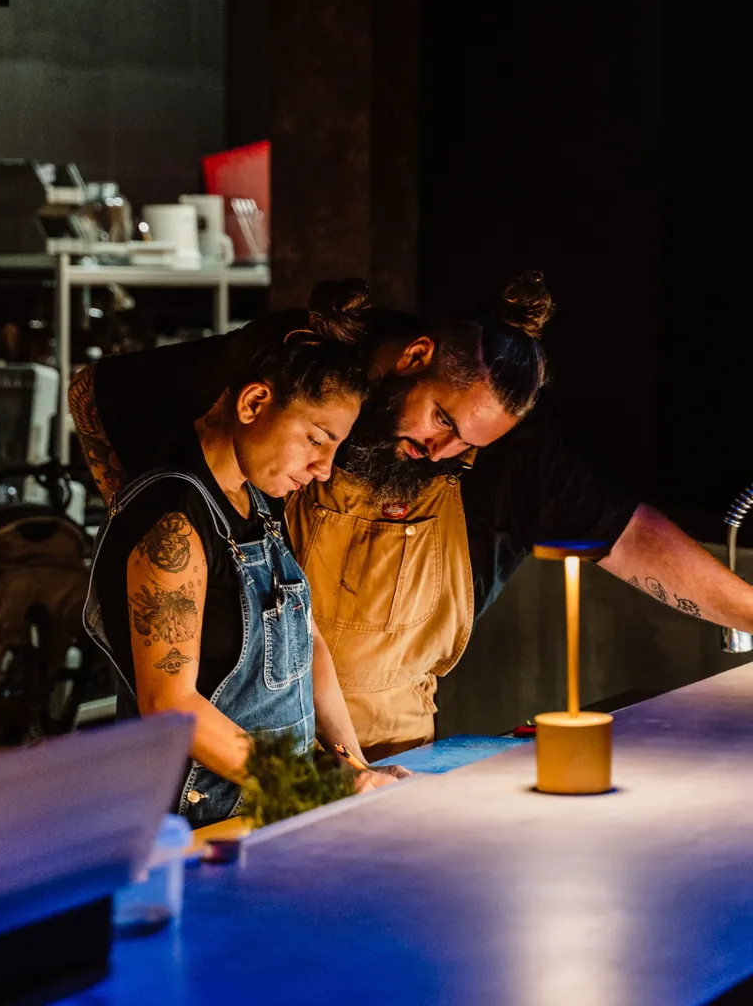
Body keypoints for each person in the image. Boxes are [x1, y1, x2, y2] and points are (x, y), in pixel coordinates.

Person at [73, 271, 753, 763]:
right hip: (228, 771)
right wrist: (172, 545)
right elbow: (95, 393)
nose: (444, 452)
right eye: (442, 421)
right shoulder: (291, 379)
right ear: (415, 356)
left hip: (377, 761)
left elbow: (632, 535)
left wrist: (347, 775)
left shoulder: (492, 458)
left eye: (468, 446)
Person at [81, 280, 401, 827]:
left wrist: (356, 769)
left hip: (273, 805)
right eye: (318, 438)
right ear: (255, 402)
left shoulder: (259, 496)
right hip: (195, 825)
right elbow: (171, 705)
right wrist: (310, 784)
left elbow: (308, 642)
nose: (324, 468)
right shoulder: (174, 522)